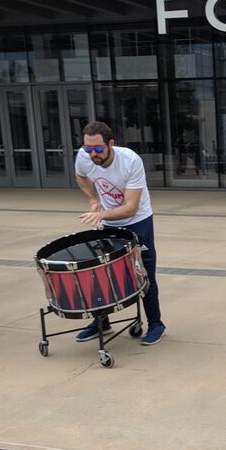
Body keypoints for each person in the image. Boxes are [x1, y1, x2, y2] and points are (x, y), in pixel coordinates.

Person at [74, 121, 166, 345]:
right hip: (108, 222)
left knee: (143, 273)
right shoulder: (84, 156)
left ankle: (155, 324)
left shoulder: (130, 161)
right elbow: (81, 176)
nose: (92, 154)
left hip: (138, 221)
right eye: (88, 148)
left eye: (98, 149)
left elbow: (130, 207)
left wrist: (101, 215)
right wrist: (93, 199)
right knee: (102, 273)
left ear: (110, 144)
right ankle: (101, 321)